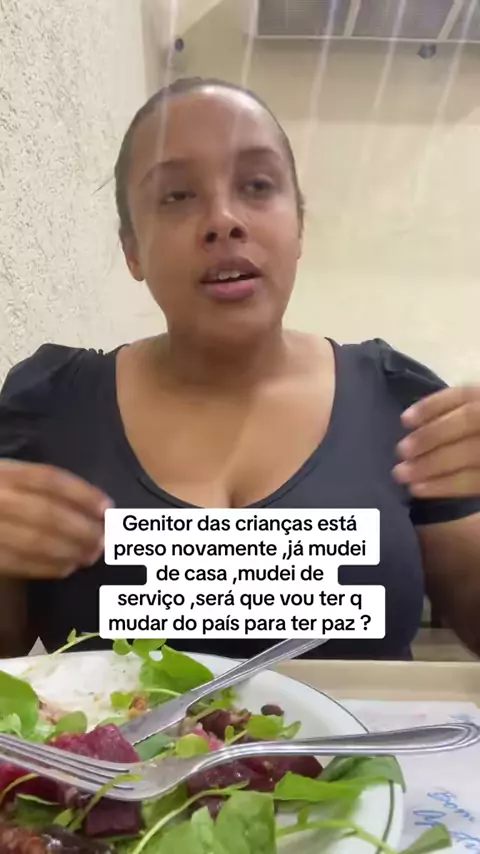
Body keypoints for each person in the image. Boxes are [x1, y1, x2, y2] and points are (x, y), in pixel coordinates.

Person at [1, 77, 480, 662]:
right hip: (120, 731)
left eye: (257, 185)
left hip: (359, 730)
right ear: (132, 249)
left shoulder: (400, 401)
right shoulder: (48, 406)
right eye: (177, 196)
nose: (223, 219)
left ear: (298, 225)